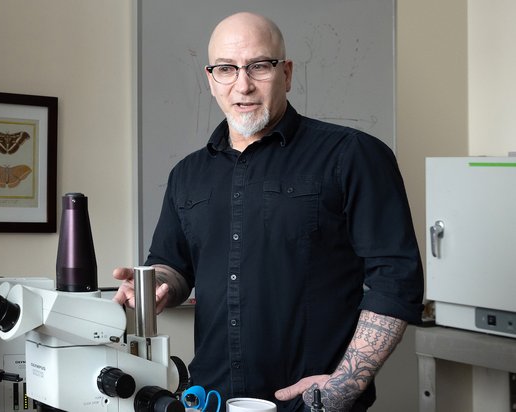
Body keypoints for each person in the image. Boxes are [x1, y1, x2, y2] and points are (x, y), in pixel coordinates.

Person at [112, 12, 423, 412]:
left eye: (259, 66)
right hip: (210, 398)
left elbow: (397, 279)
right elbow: (174, 266)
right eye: (226, 69)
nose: (242, 85)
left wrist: (343, 387)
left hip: (312, 404)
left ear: (287, 73)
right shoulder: (187, 174)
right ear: (211, 80)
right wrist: (154, 288)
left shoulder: (353, 155)